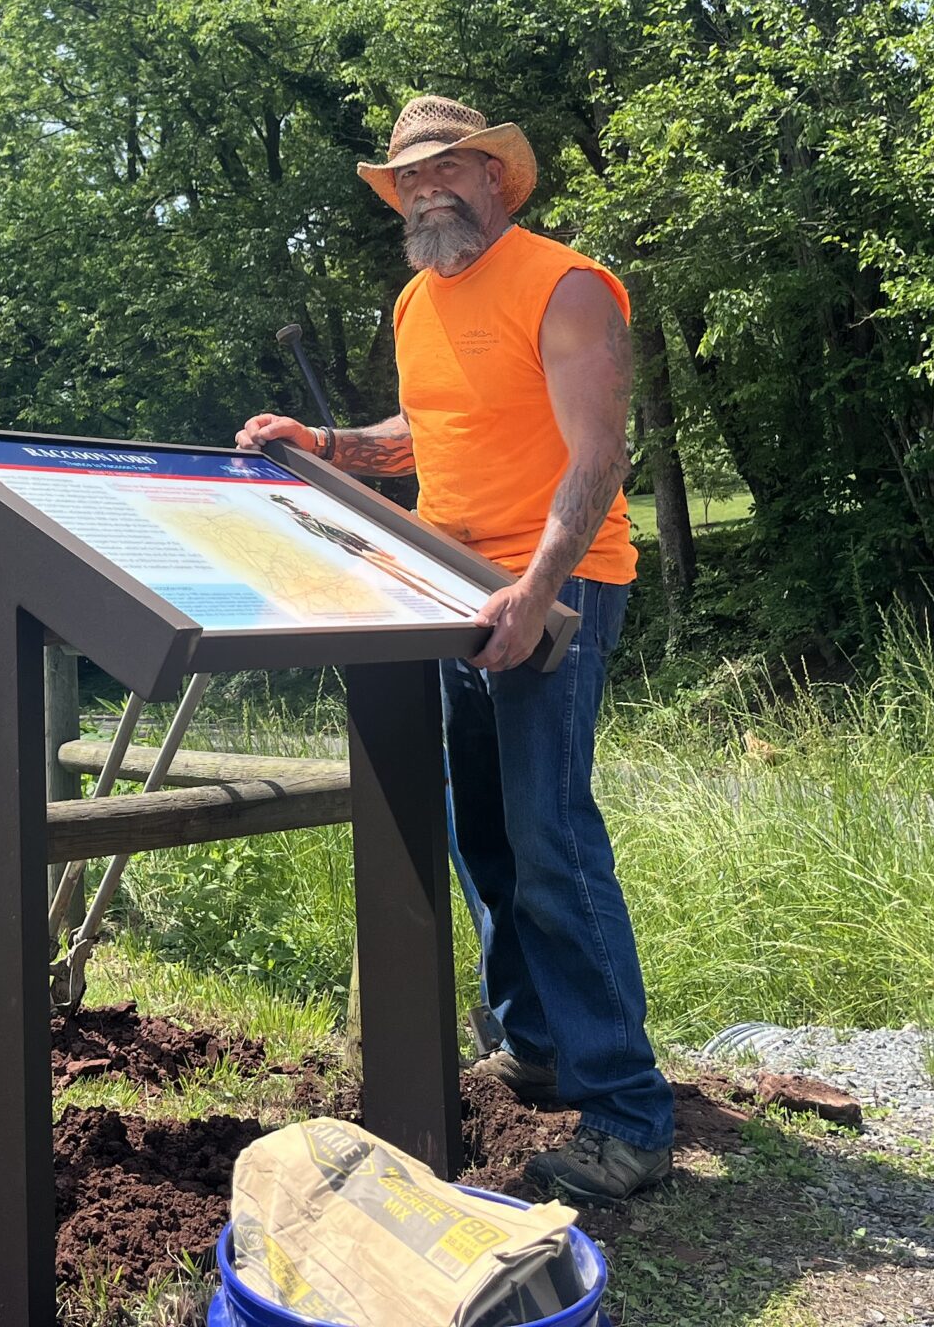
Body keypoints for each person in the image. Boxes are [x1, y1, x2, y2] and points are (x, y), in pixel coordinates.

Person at [235, 94, 672, 1202]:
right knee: (482, 836)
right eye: (406, 181)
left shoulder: (565, 284)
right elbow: (427, 432)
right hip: (445, 591)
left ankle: (627, 1114)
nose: (425, 191)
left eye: (446, 171)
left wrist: (533, 590)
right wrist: (323, 442)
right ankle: (534, 1049)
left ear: (494, 178)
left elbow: (598, 453)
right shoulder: (416, 303)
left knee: (549, 835)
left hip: (554, 586)